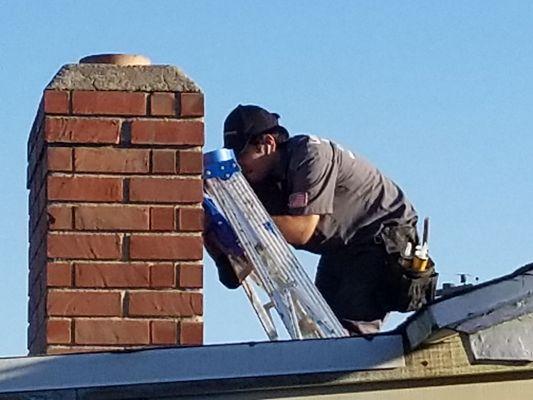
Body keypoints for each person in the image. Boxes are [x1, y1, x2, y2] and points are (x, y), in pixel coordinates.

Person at [206, 104, 437, 335]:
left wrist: (240, 224)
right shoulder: (263, 179)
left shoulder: (310, 156)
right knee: (323, 331)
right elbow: (239, 269)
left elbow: (301, 231)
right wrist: (210, 228)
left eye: (241, 154)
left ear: (267, 143)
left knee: (348, 336)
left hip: (380, 238)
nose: (239, 165)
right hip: (341, 247)